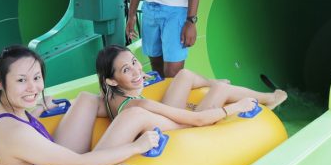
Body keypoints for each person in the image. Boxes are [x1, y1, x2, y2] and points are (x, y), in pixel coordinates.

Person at [0, 45, 164, 165]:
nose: (33, 88)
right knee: (132, 116)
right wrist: (136, 147)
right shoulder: (16, 134)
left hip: (53, 156)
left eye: (36, 78)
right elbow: (79, 164)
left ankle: (128, 95)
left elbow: (23, 130)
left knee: (86, 98)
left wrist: (38, 109)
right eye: (21, 80)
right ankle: (180, 125)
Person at [96, 45, 288, 131]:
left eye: (134, 62)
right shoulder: (139, 106)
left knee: (184, 75)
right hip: (185, 128)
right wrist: (237, 107)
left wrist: (135, 77)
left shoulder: (110, 96)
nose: (136, 69)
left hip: (168, 120)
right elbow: (197, 120)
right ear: (112, 81)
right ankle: (270, 98)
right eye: (126, 69)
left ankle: (211, 82)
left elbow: (117, 86)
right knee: (221, 88)